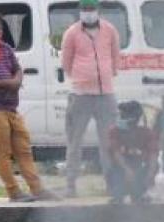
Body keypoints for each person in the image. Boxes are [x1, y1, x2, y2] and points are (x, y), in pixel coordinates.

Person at [0, 10, 50, 203]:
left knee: (24, 149)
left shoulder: (5, 48)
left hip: (11, 107)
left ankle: (37, 189)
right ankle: (14, 192)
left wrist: (16, 80)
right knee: (3, 153)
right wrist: (8, 84)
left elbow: (17, 68)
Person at [59, 0, 120, 197]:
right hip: (80, 95)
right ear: (80, 11)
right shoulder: (72, 33)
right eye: (84, 9)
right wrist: (81, 78)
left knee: (109, 142)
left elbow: (115, 56)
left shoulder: (110, 30)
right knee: (75, 141)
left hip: (106, 95)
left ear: (98, 10)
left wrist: (108, 74)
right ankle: (70, 185)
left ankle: (111, 183)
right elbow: (66, 62)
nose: (88, 13)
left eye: (91, 9)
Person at [105, 100, 158, 205]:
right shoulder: (114, 131)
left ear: (134, 119)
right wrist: (127, 170)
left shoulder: (147, 132)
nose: (121, 118)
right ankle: (118, 195)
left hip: (140, 168)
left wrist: (151, 174)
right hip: (121, 167)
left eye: (123, 116)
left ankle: (140, 194)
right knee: (112, 173)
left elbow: (153, 155)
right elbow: (116, 153)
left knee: (152, 169)